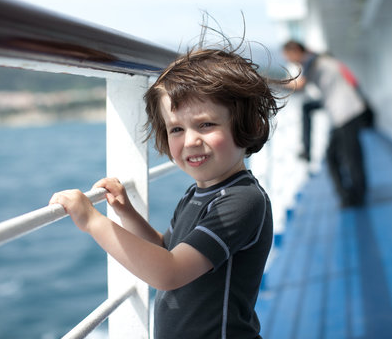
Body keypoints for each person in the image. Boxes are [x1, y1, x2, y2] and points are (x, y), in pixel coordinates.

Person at [49, 45, 289, 338]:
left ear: (247, 125)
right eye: (176, 129)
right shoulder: (197, 193)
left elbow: (169, 272)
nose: (190, 141)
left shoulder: (242, 201)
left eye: (206, 124)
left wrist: (92, 221)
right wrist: (127, 212)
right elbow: (166, 251)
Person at [282, 40, 367, 207]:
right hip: (343, 113)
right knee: (341, 156)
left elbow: (299, 86)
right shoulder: (317, 59)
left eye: (289, 56)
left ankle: (355, 197)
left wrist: (270, 83)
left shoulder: (312, 61)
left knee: (348, 157)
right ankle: (350, 195)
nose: (290, 61)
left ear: (295, 51)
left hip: (346, 113)